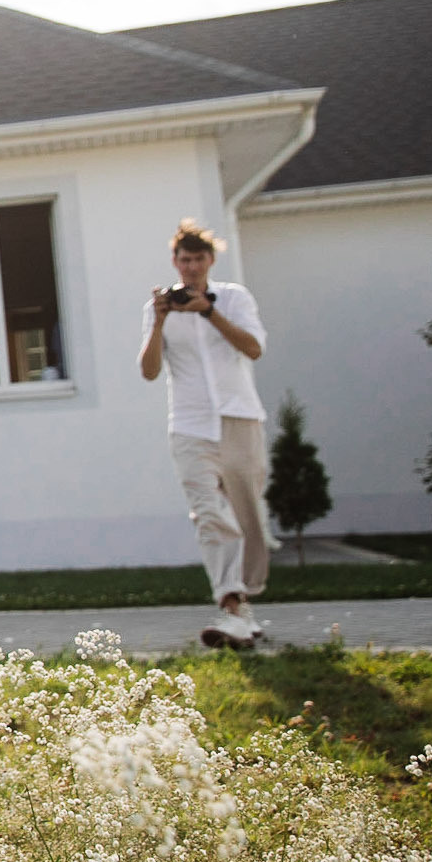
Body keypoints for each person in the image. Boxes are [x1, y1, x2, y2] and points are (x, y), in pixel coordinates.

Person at [139, 218, 271, 650]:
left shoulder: (232, 298)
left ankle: (244, 609)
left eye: (198, 259)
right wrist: (160, 322)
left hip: (238, 418)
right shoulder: (158, 307)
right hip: (190, 425)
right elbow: (149, 371)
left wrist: (209, 312)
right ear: (174, 262)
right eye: (184, 259)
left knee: (246, 516)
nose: (191, 267)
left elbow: (253, 348)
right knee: (209, 515)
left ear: (210, 260)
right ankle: (231, 607)